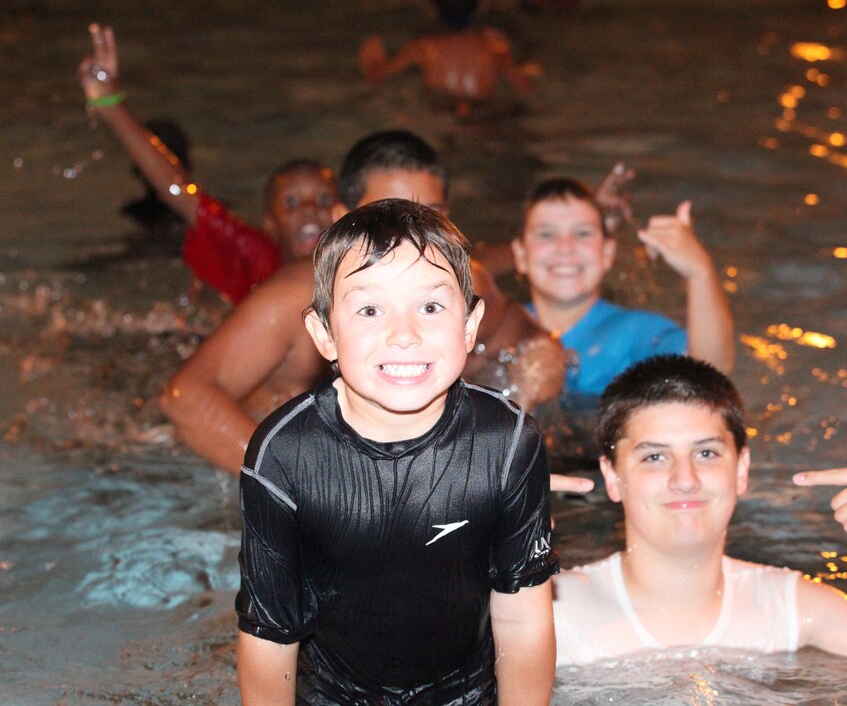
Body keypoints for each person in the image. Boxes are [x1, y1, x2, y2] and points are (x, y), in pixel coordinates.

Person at [237, 198, 557, 706]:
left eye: (431, 308)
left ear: (471, 323)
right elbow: (269, 636)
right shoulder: (285, 454)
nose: (404, 334)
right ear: (323, 335)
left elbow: (524, 623)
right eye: (369, 311)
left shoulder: (507, 444)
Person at [553, 354, 847, 681]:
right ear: (613, 477)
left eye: (706, 452)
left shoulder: (792, 607)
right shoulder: (556, 611)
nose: (685, 479)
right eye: (654, 457)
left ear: (742, 469)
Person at [160, 130, 575, 480]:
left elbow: (536, 346)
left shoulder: (461, 283)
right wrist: (309, 487)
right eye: (389, 215)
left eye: (430, 215)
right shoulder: (294, 297)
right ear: (343, 217)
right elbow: (186, 398)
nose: (412, 238)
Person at [78, 23, 338, 303]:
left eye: (324, 199)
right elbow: (178, 190)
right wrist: (110, 103)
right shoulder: (257, 257)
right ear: (270, 225)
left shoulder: (358, 267)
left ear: (345, 214)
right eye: (291, 203)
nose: (310, 211)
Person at [511, 178, 736, 399]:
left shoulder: (633, 332)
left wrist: (700, 273)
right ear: (520, 255)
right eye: (546, 234)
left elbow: (710, 370)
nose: (565, 247)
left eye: (582, 233)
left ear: (607, 253)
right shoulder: (500, 326)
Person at [358, 0, 534, 111]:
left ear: (433, 10)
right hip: (484, 115)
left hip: (442, 114)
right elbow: (525, 89)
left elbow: (377, 76)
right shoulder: (495, 49)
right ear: (479, 7)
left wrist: (371, 59)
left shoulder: (422, 47)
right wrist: (507, 48)